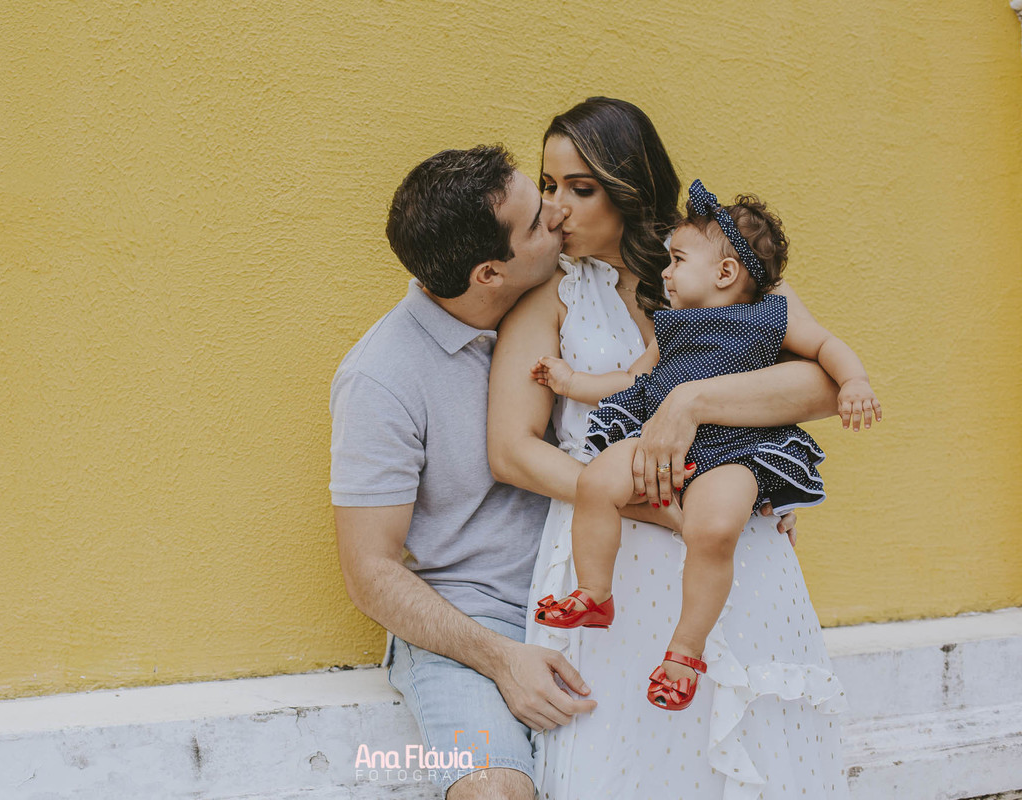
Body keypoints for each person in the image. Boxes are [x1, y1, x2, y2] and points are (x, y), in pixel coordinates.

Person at [488, 97, 851, 798]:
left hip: (723, 544)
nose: (555, 207)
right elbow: (512, 450)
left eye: (580, 188)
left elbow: (826, 385)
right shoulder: (549, 300)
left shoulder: (730, 279)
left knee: (740, 744)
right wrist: (647, 505)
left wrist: (692, 402)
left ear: (631, 187)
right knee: (630, 752)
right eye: (550, 185)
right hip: (613, 549)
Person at [531, 179, 881, 715]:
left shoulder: (773, 314)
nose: (665, 272)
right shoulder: (670, 327)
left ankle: (685, 652)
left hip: (739, 449)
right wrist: (572, 381)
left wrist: (854, 381)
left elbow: (826, 348)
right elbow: (630, 379)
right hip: (657, 440)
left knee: (714, 529)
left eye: (676, 260)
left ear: (725, 272)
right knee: (594, 481)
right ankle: (595, 592)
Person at [330, 144, 591, 800]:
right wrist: (502, 660)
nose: (557, 217)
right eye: (535, 224)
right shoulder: (381, 378)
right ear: (487, 274)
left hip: (586, 599)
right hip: (470, 623)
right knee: (494, 790)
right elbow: (371, 573)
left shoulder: (579, 300)